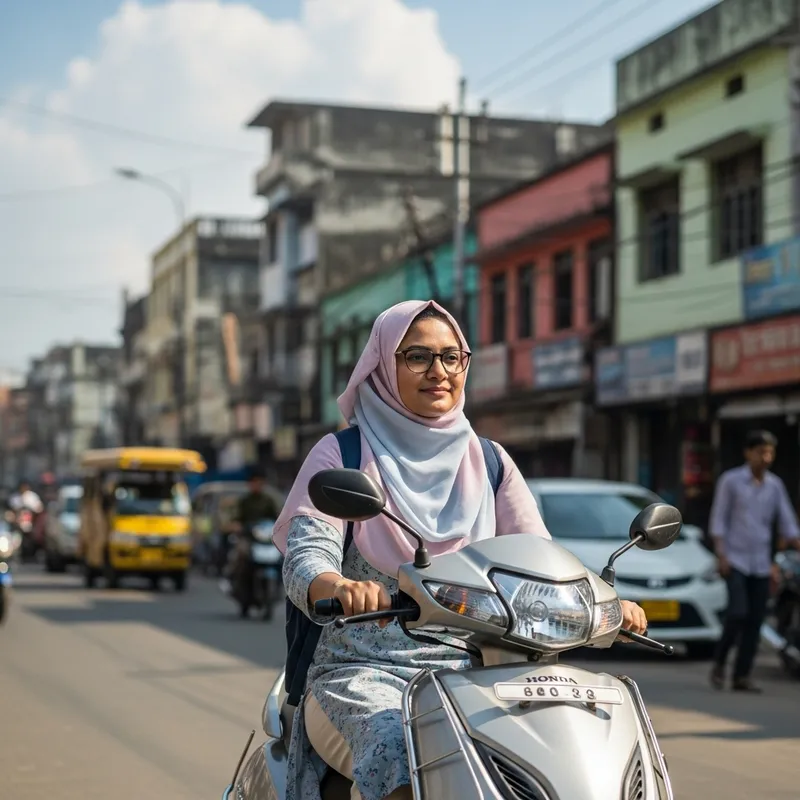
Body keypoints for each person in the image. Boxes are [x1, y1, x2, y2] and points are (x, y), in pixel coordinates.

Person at [273, 300, 649, 800]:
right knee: (401, 750)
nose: (439, 372)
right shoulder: (343, 454)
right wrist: (338, 585)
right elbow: (306, 555)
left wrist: (603, 603)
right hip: (363, 671)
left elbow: (540, 557)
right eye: (418, 357)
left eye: (453, 357)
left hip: (483, 673)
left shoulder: (491, 462)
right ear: (384, 364)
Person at [709, 430, 800, 692]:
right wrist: (721, 554)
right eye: (761, 451)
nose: (766, 457)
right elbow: (719, 520)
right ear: (748, 453)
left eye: (770, 452)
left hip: (761, 562)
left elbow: (787, 524)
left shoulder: (775, 486)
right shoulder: (731, 481)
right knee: (737, 613)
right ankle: (720, 661)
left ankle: (741, 675)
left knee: (755, 619)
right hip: (735, 559)